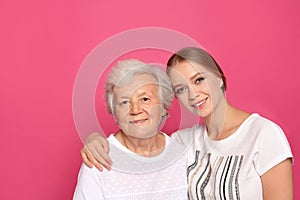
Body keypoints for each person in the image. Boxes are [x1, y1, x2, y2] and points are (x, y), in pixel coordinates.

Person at [81, 47, 293, 200]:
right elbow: (141, 135)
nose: (193, 94)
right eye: (181, 89)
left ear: (218, 78)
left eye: (199, 80)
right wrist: (95, 140)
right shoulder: (185, 141)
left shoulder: (264, 135)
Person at [73, 59, 188, 199]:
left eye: (145, 99)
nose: (135, 110)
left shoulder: (184, 154)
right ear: (114, 112)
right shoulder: (99, 159)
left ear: (163, 107)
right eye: (125, 102)